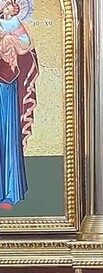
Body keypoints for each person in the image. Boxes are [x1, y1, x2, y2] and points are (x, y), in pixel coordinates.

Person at [0, 0, 38, 208]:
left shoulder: (16, 26)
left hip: (7, 85)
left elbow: (26, 45)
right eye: (3, 6)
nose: (4, 9)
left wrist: (9, 40)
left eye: (7, 7)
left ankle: (9, 191)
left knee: (7, 133)